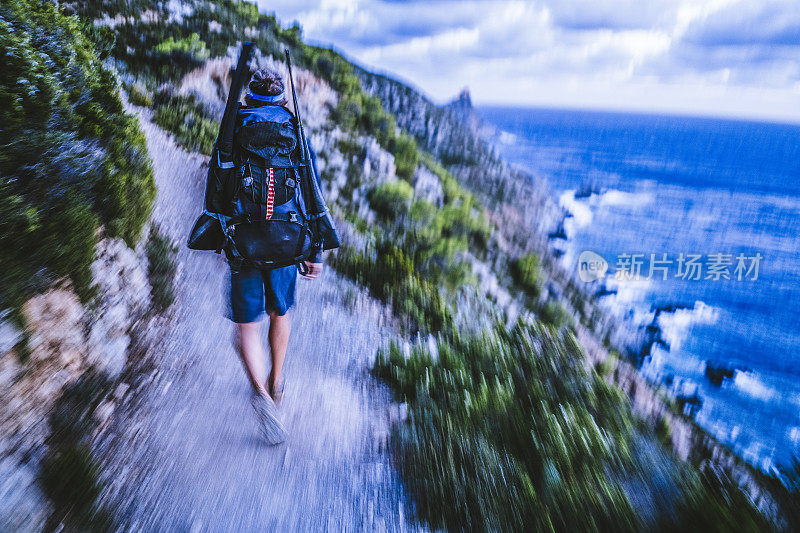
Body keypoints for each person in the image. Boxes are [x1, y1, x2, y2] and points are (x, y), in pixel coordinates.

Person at [229, 67, 333, 443]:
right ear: (283, 99)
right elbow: (312, 193)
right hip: (287, 240)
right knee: (280, 311)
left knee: (246, 327)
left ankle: (259, 393)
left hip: (244, 241)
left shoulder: (235, 129)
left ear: (250, 98)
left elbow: (218, 188)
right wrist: (315, 250)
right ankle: (276, 381)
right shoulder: (294, 132)